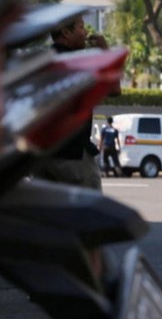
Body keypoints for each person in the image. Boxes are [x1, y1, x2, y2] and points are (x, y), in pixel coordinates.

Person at [30, 17, 111, 191]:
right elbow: (114, 89)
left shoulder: (39, 61)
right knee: (88, 212)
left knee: (45, 214)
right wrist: (104, 50)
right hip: (73, 152)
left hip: (41, 154)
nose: (86, 33)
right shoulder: (80, 61)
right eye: (81, 28)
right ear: (66, 33)